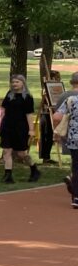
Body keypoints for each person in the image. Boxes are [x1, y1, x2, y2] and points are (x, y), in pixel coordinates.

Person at [0, 74, 40, 183]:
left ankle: (34, 169)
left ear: (23, 83)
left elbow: (29, 114)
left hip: (21, 127)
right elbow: (3, 110)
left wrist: (31, 129)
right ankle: (8, 175)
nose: (14, 84)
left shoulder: (27, 97)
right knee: (7, 150)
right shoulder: (9, 94)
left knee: (21, 153)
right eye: (13, 82)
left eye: (17, 82)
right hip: (7, 126)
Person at [54, 71, 78, 208]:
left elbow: (56, 117)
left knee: (76, 167)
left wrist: (57, 131)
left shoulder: (68, 98)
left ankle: (76, 197)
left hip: (73, 136)